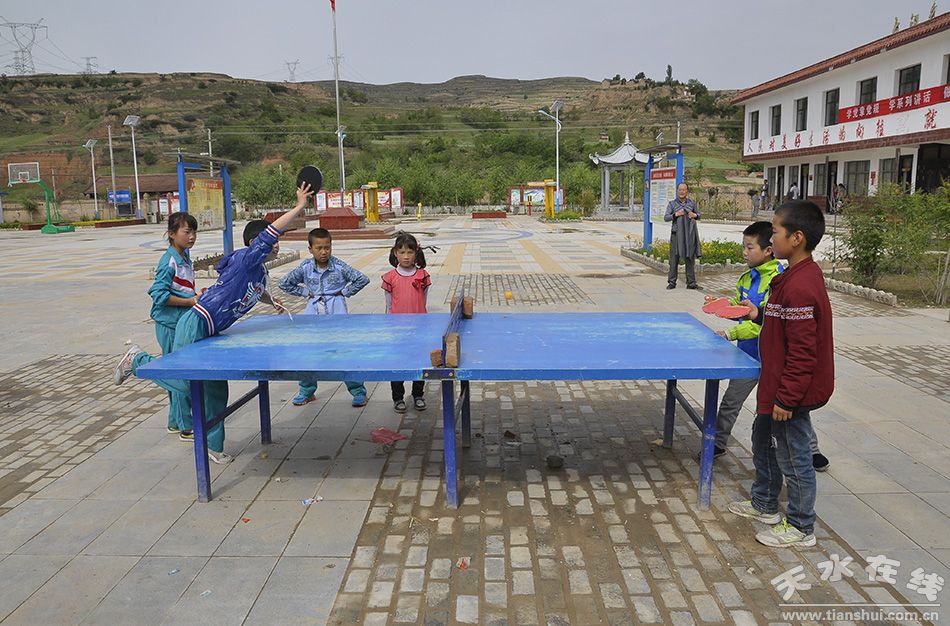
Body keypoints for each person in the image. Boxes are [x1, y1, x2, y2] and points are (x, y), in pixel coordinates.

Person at [114, 182, 316, 465]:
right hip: (195, 322)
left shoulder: (258, 274)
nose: (277, 245)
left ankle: (213, 445)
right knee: (188, 384)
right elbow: (272, 232)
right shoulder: (247, 258)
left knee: (216, 388)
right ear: (256, 244)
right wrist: (298, 207)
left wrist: (273, 302)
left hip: (213, 331)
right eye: (272, 241)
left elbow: (254, 292)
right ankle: (137, 360)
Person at [728, 200, 835, 548]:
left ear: (797, 237)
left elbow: (804, 352)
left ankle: (802, 527)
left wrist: (787, 398)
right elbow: (780, 325)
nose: (770, 238)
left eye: (775, 231)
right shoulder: (789, 277)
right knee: (763, 440)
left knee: (794, 455)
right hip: (775, 385)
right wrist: (757, 314)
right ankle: (765, 504)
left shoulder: (802, 286)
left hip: (790, 392)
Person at [705, 221, 829, 470]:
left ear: (769, 250)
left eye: (749, 247)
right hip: (747, 354)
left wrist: (730, 334)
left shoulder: (780, 281)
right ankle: (717, 443)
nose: (744, 252)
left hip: (771, 357)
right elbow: (745, 309)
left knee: (790, 410)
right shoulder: (746, 277)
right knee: (732, 401)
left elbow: (767, 324)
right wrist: (723, 304)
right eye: (744, 246)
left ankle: (811, 451)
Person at [278, 227, 370, 407]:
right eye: (319, 248)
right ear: (310, 249)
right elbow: (284, 283)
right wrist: (305, 292)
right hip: (313, 317)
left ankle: (358, 391)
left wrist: (344, 292)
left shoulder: (339, 266)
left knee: (344, 353)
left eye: (327, 247)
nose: (323, 251)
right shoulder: (305, 268)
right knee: (309, 353)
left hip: (337, 315)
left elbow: (362, 279)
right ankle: (306, 390)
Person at [147, 212, 200, 437]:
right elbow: (158, 294)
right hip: (169, 324)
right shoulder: (169, 260)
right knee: (178, 373)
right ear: (171, 234)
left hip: (179, 322)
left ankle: (174, 421)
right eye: (186, 232)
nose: (192, 236)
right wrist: (189, 301)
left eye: (193, 232)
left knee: (177, 370)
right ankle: (185, 426)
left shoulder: (184, 257)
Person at [382, 231, 431, 413]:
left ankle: (418, 394)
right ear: (395, 253)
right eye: (401, 252)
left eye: (410, 252)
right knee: (398, 364)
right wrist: (389, 327)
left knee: (419, 362)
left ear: (416, 253)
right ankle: (398, 397)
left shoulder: (423, 275)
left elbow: (423, 302)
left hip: (419, 328)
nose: (406, 256)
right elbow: (388, 305)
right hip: (397, 329)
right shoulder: (389, 277)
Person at [664, 182, 701, 290]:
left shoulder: (692, 203)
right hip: (676, 235)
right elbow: (666, 217)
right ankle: (672, 282)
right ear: (677, 191)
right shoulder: (672, 204)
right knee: (674, 259)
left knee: (689, 258)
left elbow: (699, 215)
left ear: (687, 191)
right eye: (680, 190)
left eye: (684, 190)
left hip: (689, 235)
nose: (682, 192)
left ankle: (691, 283)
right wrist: (675, 215)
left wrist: (695, 215)